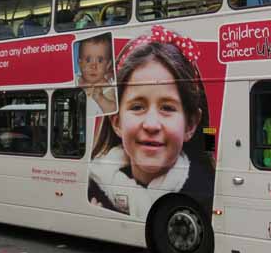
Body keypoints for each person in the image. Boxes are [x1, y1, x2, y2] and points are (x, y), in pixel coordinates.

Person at [87, 25, 214, 220]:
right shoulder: (92, 184)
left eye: (167, 108)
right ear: (116, 122)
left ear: (190, 124)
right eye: (137, 107)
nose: (151, 125)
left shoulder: (207, 191)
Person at [76, 34, 116, 115]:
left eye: (100, 60)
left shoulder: (107, 88)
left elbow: (113, 110)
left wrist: (101, 99)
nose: (93, 66)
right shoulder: (76, 80)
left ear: (108, 65)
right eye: (88, 60)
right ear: (80, 63)